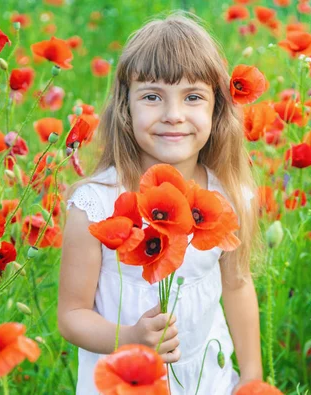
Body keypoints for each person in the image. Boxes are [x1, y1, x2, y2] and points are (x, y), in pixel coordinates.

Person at [57, 12, 263, 395]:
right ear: (126, 108)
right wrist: (130, 337)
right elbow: (72, 315)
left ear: (216, 110)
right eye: (152, 96)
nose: (173, 115)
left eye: (193, 97)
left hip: (207, 377)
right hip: (125, 379)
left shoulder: (228, 197)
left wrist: (251, 377)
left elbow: (237, 285)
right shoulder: (96, 204)